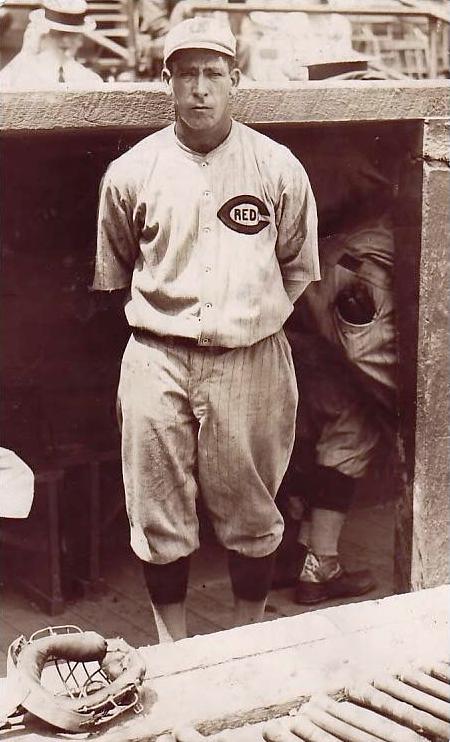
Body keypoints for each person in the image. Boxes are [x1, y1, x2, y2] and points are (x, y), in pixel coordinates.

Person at [93, 16, 319, 641]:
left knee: (251, 508)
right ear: (166, 80)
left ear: (234, 79)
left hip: (251, 356)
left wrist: (243, 319)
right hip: (157, 353)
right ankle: (174, 645)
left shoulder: (275, 166)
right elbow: (115, 272)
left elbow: (298, 268)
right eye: (186, 73)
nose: (199, 87)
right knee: (157, 511)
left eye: (212, 73)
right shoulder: (133, 171)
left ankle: (247, 639)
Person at [273, 185, 398, 604]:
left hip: (316, 278)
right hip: (365, 282)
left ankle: (297, 554)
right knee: (370, 426)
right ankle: (318, 566)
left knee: (323, 422)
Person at [0, 0, 102, 90]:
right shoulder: (23, 73)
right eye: (59, 33)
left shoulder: (90, 80)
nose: (65, 41)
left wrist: (25, 54)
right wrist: (26, 53)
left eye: (73, 35)